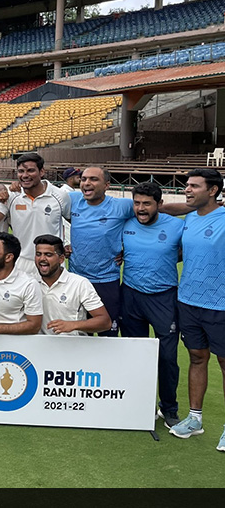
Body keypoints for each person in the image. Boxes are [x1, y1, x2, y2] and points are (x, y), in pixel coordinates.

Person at [167, 169, 225, 451]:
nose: (187, 190)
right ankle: (194, 419)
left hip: (221, 305)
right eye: (186, 186)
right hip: (188, 301)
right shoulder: (189, 219)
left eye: (194, 186)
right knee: (197, 357)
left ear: (213, 190)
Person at [120, 182, 183, 427]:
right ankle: (135, 404)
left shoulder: (178, 225)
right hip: (131, 296)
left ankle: (168, 408)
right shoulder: (125, 224)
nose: (141, 208)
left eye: (147, 203)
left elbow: (189, 250)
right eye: (137, 203)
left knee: (167, 357)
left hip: (164, 297)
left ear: (160, 204)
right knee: (134, 353)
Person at [67, 166, 135, 337]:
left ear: (107, 185)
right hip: (76, 280)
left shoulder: (122, 206)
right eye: (83, 179)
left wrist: (128, 248)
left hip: (107, 281)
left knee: (108, 335)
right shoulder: (72, 199)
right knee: (78, 334)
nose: (87, 183)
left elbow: (149, 214)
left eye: (93, 179)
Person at [0, 153, 70, 276]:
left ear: (41, 172)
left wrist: (69, 244)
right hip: (21, 262)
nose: (25, 175)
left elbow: (74, 222)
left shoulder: (60, 196)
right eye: (21, 171)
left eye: (30, 170)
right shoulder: (12, 196)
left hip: (52, 261)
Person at [34, 234, 111, 336]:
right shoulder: (31, 283)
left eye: (48, 255)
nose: (42, 259)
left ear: (61, 259)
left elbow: (105, 322)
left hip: (74, 346)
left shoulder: (79, 283)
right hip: (39, 346)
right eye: (38, 254)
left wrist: (73, 325)